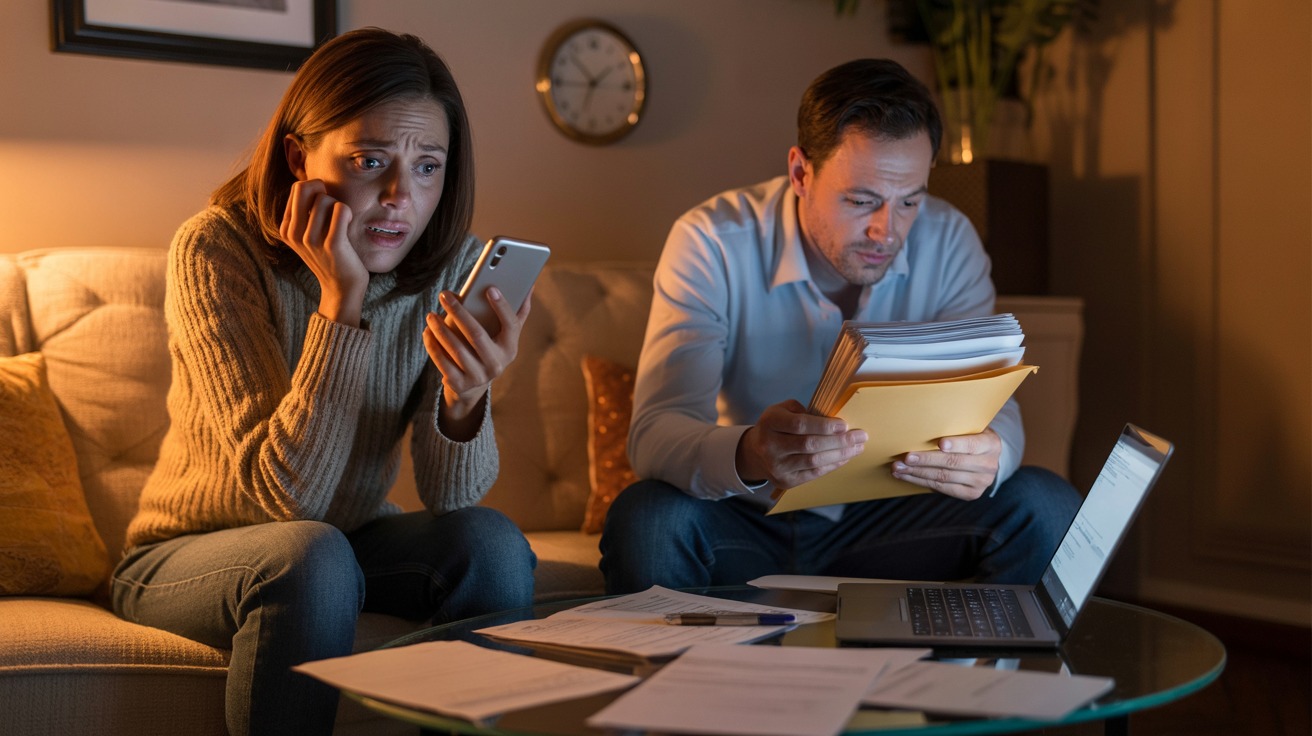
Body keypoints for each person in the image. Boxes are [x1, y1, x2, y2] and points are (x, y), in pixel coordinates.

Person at [111, 28, 536, 736]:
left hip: (349, 539)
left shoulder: (446, 269)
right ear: (297, 157)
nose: (401, 197)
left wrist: (465, 397)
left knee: (490, 543)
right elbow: (289, 498)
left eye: (428, 166)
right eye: (370, 161)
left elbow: (452, 497)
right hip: (191, 552)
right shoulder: (215, 249)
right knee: (310, 553)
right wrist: (341, 302)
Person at [599, 58, 1082, 594]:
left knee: (1047, 505)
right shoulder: (712, 241)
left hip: (893, 519)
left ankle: (990, 655)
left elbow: (994, 405)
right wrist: (753, 452)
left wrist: (992, 457)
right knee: (648, 519)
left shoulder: (949, 241)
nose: (887, 231)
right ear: (800, 173)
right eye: (861, 200)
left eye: (910, 201)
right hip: (749, 517)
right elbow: (656, 431)